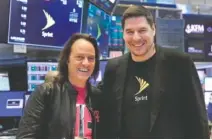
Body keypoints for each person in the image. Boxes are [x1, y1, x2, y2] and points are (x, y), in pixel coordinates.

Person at [98, 5, 209, 138]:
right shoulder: (113, 68)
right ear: (123, 34)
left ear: (154, 29)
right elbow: (106, 117)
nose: (136, 37)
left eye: (142, 30)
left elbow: (197, 118)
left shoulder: (180, 63)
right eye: (130, 32)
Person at [16, 33, 102, 139]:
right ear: (67, 60)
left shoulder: (98, 97)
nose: (86, 63)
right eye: (79, 57)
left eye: (91, 58)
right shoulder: (46, 93)